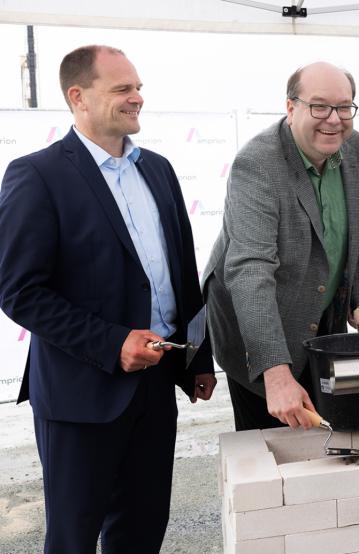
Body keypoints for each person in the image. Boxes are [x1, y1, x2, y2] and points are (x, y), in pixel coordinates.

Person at [0, 45, 216, 552]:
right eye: (123, 89)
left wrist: (196, 360)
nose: (137, 98)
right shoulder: (37, 175)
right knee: (73, 540)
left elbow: (181, 275)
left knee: (141, 532)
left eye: (138, 87)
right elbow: (19, 291)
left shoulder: (158, 169)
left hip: (156, 388)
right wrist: (113, 343)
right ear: (78, 97)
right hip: (81, 396)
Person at [203, 62, 359, 431]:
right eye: (319, 106)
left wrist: (358, 296)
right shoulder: (257, 164)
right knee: (273, 449)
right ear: (290, 107)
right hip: (257, 330)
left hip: (320, 315)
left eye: (344, 107)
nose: (334, 119)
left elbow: (355, 230)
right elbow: (249, 269)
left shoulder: (357, 149)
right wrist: (275, 374)